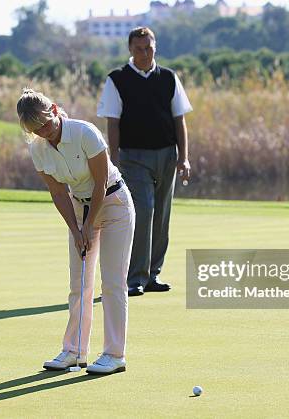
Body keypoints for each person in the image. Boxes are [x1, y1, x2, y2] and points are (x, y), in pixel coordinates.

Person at [17, 88, 135, 375]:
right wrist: (75, 228)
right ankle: (74, 351)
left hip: (114, 204)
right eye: (36, 129)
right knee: (79, 284)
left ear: (54, 110)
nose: (44, 132)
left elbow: (100, 183)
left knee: (112, 283)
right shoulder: (38, 148)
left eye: (45, 123)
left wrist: (87, 226)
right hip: (79, 207)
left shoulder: (85, 133)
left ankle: (114, 354)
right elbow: (57, 191)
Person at [97, 27, 192, 297]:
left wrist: (184, 157)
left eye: (149, 48)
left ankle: (152, 275)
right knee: (144, 210)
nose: (144, 53)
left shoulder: (169, 78)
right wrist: (113, 160)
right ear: (130, 50)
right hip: (133, 157)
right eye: (139, 49)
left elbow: (179, 120)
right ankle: (135, 277)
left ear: (155, 47)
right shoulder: (117, 79)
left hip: (166, 153)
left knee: (161, 215)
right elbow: (112, 123)